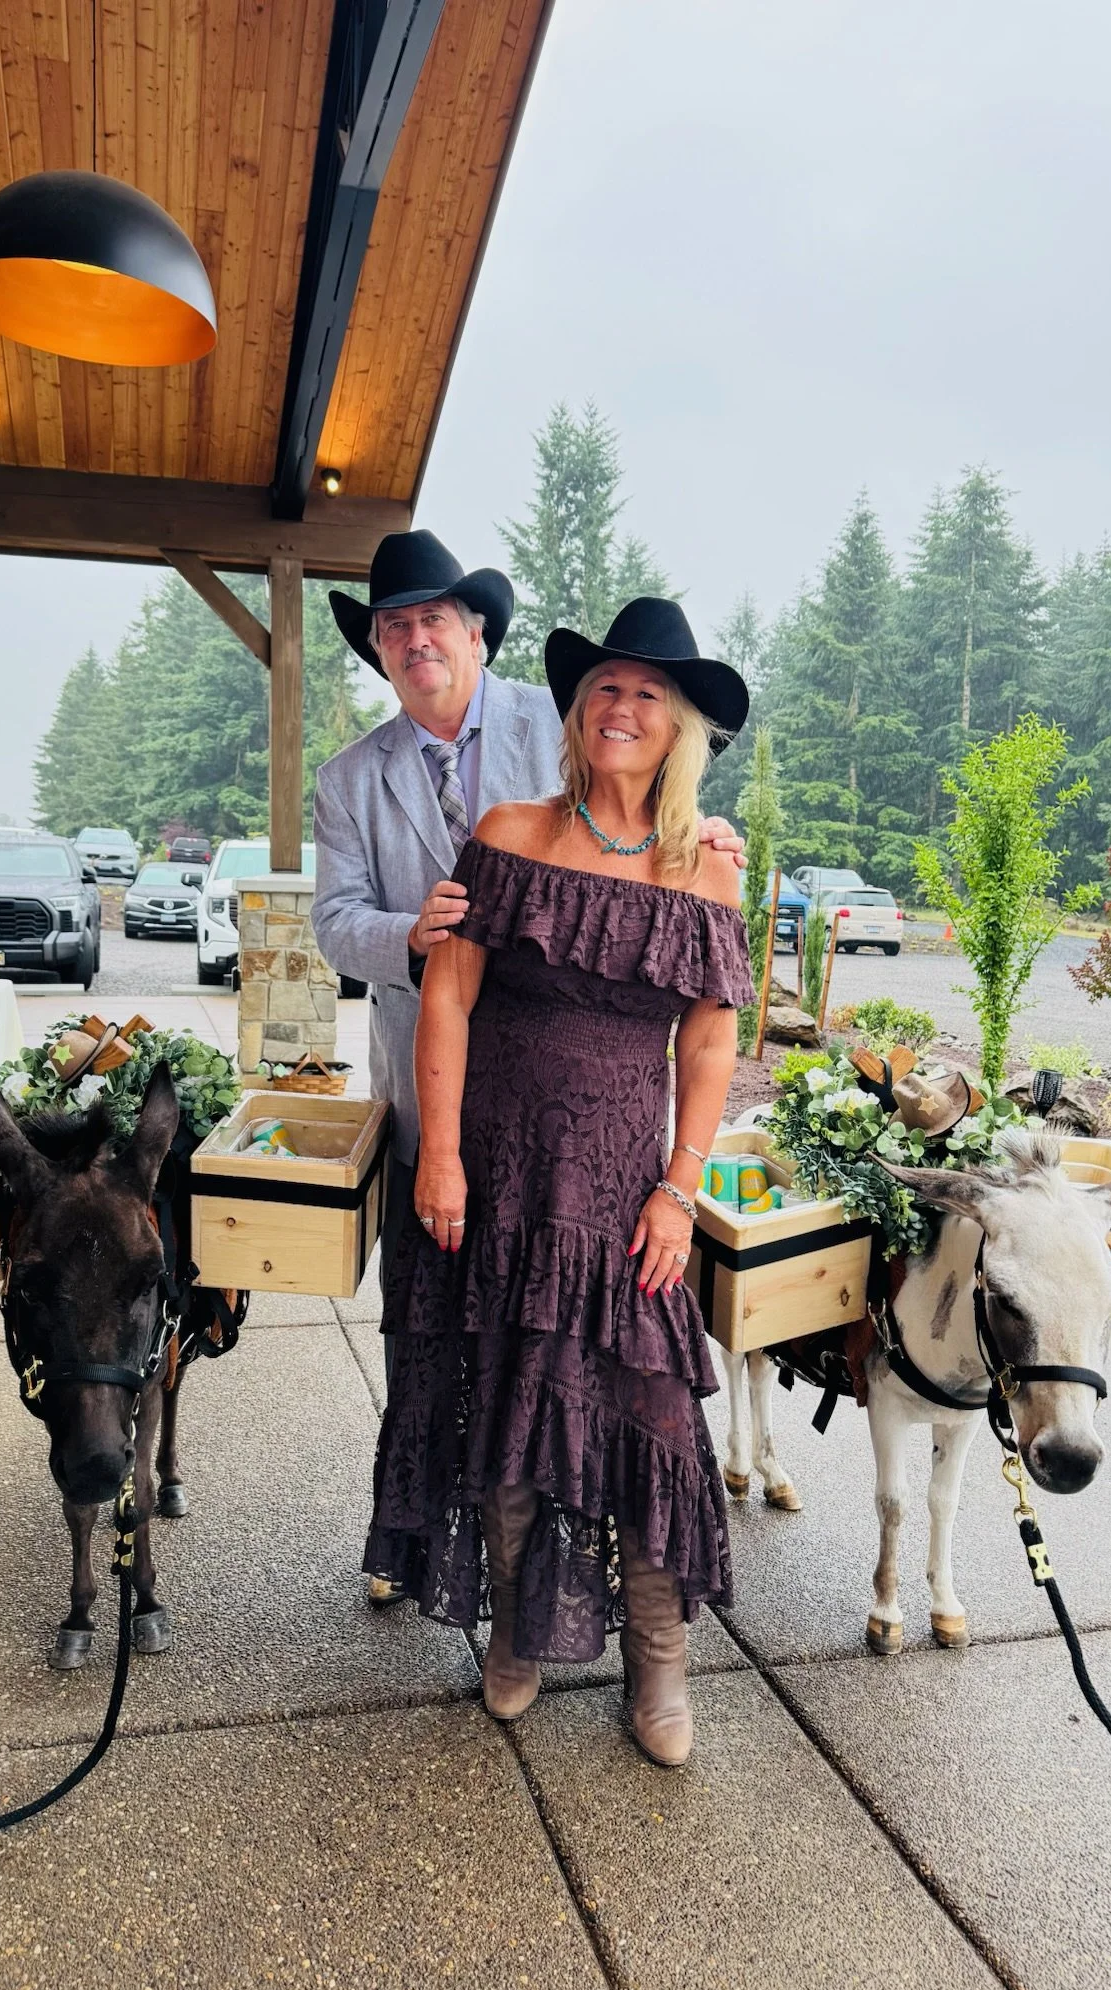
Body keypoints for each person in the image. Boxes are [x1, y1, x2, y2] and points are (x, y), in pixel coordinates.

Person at [312, 536, 746, 1605]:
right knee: (449, 1340)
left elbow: (642, 853)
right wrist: (411, 934)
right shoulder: (351, 777)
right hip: (444, 1098)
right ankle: (439, 1547)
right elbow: (334, 922)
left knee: (592, 1362)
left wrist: (696, 835)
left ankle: (592, 1588)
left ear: (476, 634)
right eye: (394, 626)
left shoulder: (557, 725)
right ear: (378, 648)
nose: (416, 639)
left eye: (434, 619)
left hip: (599, 1135)